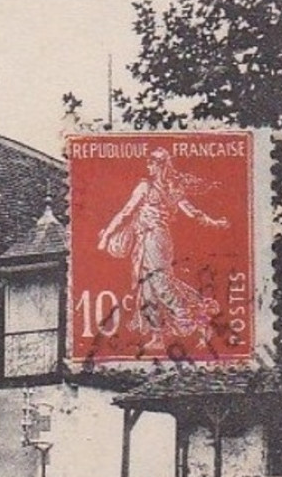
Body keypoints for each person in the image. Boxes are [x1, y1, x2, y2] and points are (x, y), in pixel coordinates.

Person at [97, 147, 228, 348]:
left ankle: (199, 321)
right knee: (147, 287)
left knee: (161, 283)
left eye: (152, 163)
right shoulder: (165, 189)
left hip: (155, 239)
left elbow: (126, 213)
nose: (148, 166)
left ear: (160, 166)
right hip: (147, 240)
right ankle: (157, 336)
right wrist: (214, 222)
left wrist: (106, 236)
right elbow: (192, 212)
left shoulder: (154, 188)